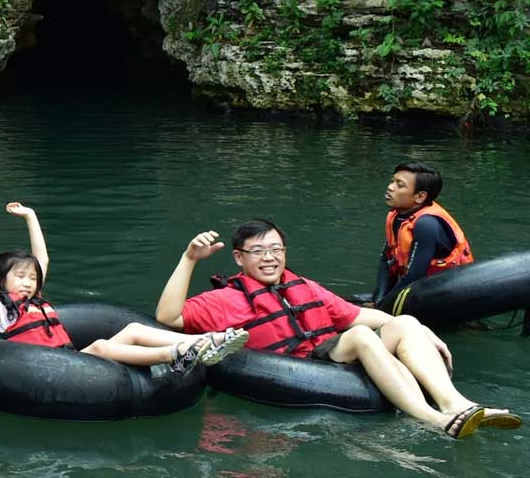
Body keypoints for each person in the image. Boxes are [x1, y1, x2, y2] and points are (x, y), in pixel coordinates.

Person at [155, 219, 521, 438]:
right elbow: (169, 318)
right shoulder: (223, 300)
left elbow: (358, 315)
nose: (270, 258)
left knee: (405, 321)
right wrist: (189, 259)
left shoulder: (304, 286)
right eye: (259, 251)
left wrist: (423, 331)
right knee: (362, 336)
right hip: (297, 366)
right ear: (239, 257)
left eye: (276, 249)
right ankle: (431, 419)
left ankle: (461, 405)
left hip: (328, 351)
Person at [0, 202, 248, 372]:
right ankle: (174, 356)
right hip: (46, 369)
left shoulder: (34, 299)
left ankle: (211, 340)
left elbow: (42, 258)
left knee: (134, 330)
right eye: (19, 277)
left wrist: (31, 216)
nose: (28, 282)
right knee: (100, 345)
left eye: (31, 278)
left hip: (67, 360)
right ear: (2, 281)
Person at [374, 161, 474, 309]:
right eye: (392, 181)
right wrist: (379, 299)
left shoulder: (426, 224)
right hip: (416, 286)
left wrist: (382, 308)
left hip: (447, 291)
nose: (390, 188)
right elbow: (387, 261)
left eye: (399, 185)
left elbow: (415, 275)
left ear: (420, 197)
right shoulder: (396, 217)